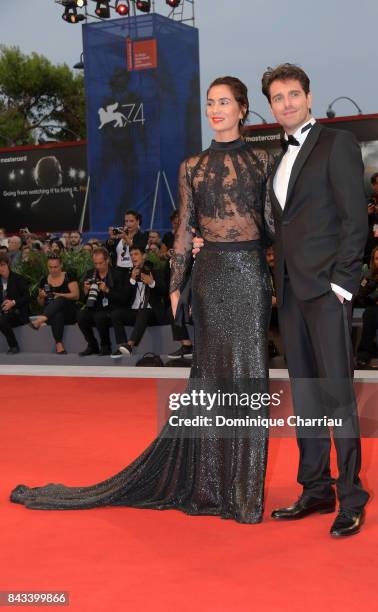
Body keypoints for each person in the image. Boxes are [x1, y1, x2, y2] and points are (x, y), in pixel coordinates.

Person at [10, 76, 274, 525]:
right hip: (209, 279)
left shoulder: (264, 160)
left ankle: (242, 490)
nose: (215, 109)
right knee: (208, 380)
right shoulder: (192, 166)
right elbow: (185, 229)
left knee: (249, 376)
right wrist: (176, 286)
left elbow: (271, 223)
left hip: (250, 276)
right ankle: (208, 482)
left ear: (244, 109)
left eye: (224, 102)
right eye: (210, 102)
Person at [194, 63, 369, 537]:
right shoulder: (276, 157)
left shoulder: (338, 144)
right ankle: (316, 487)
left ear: (309, 97)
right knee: (308, 394)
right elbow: (272, 224)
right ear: (270, 106)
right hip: (289, 293)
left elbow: (357, 219)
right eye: (278, 97)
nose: (287, 103)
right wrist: (204, 241)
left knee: (336, 395)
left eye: (294, 94)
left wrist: (343, 284)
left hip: (327, 292)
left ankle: (352, 496)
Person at [110, 246, 169, 357]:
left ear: (144, 256)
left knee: (143, 311)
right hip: (135, 312)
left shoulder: (155, 272)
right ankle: (123, 346)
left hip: (152, 313)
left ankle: (130, 345)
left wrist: (152, 283)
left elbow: (165, 292)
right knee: (116, 314)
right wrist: (132, 280)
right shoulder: (128, 275)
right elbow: (123, 299)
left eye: (136, 254)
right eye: (131, 255)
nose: (133, 257)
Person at [77, 247, 130, 356]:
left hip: (112, 309)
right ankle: (92, 345)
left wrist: (107, 290)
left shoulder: (118, 274)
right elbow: (84, 300)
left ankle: (106, 346)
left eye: (100, 263)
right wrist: (86, 291)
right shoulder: (90, 273)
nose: (98, 266)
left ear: (107, 260)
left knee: (99, 316)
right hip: (94, 308)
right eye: (95, 263)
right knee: (81, 316)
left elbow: (123, 298)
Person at [30, 254, 79, 355]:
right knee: (57, 314)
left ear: (61, 265)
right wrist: (41, 297)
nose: (53, 270)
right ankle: (59, 345)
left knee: (60, 299)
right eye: (50, 267)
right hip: (52, 315)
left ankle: (41, 319)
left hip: (69, 313)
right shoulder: (44, 280)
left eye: (56, 267)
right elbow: (41, 303)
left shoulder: (68, 276)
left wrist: (60, 295)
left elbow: (76, 295)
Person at [0, 253, 30, 354]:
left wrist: (13, 302)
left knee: (1, 320)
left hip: (18, 313)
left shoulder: (18, 279)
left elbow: (27, 297)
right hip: (3, 313)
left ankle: (13, 346)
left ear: (8, 264)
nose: (0, 268)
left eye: (2, 265)